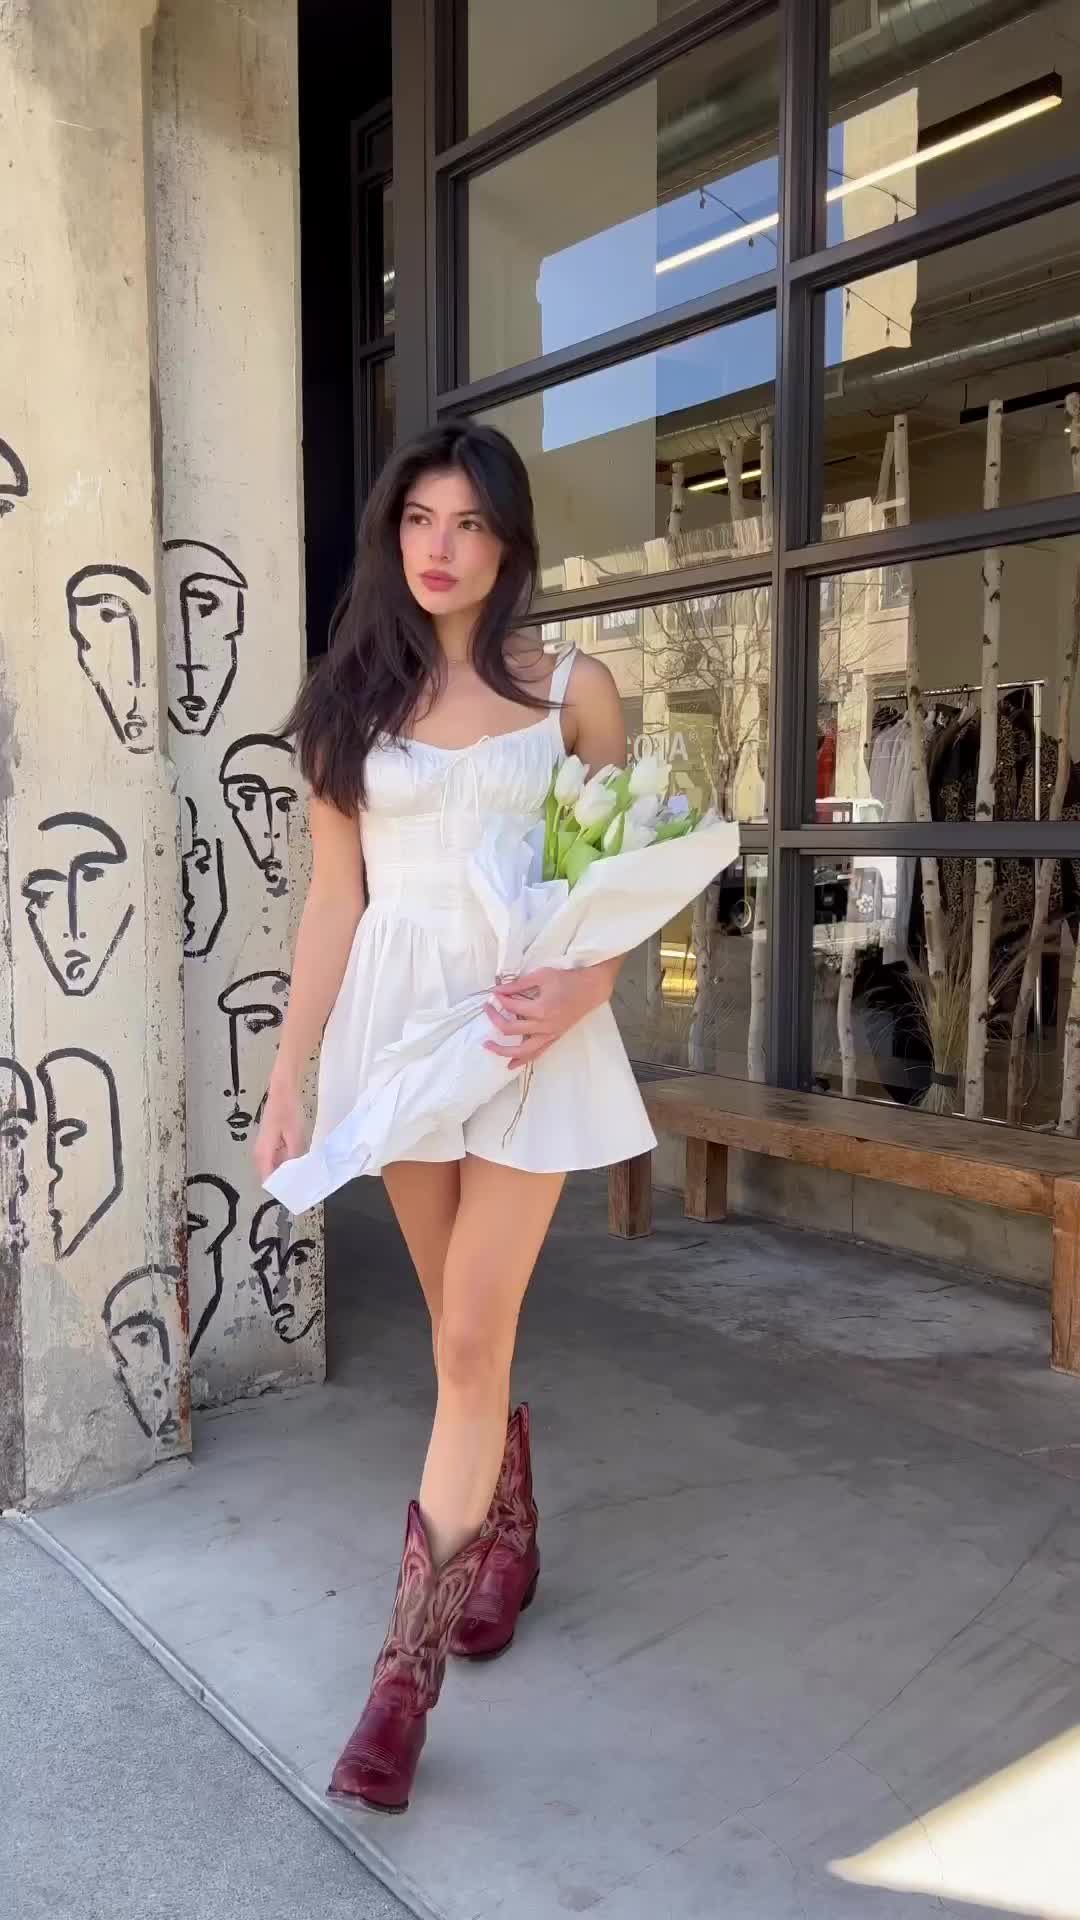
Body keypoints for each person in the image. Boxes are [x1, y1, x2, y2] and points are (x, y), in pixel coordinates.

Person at [254, 423, 655, 1815]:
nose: (441, 546)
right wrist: (292, 1075)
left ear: (509, 543)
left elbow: (625, 877)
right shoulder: (346, 705)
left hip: (528, 1031)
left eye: (470, 522)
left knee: (474, 1336)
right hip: (399, 1037)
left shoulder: (574, 692)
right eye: (420, 518)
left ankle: (399, 1687)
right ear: (392, 535)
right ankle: (510, 1525)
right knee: (454, 1334)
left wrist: (590, 985)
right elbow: (334, 903)